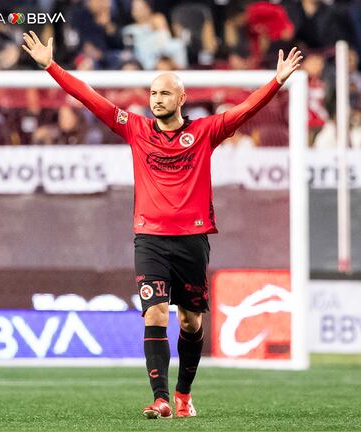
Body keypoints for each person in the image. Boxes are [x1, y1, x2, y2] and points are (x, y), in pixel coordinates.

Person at [22, 30, 302, 419]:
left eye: (165, 93)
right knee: (154, 314)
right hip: (150, 240)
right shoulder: (135, 129)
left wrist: (276, 81)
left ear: (182, 99)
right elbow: (90, 98)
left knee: (190, 323)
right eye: (153, 93)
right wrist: (52, 67)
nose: (157, 99)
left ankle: (184, 393)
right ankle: (161, 398)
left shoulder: (204, 133)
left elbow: (245, 112)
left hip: (192, 241)